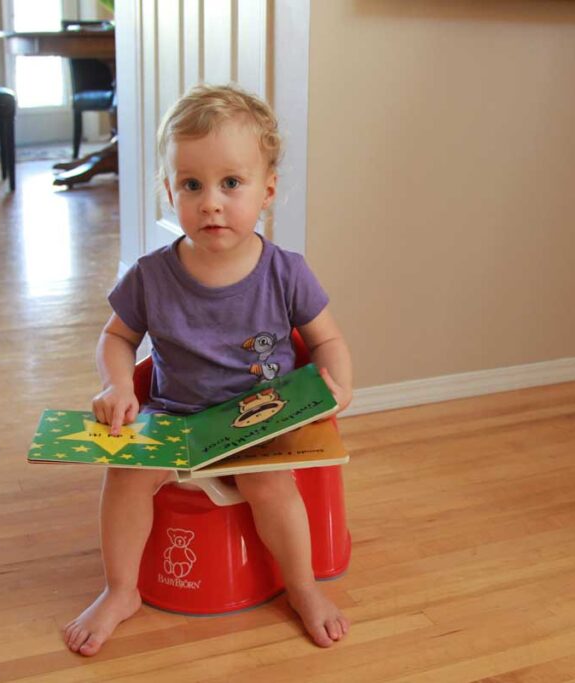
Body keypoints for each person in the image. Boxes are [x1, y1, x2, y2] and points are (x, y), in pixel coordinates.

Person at [62, 83, 353, 656]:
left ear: (266, 192)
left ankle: (302, 587)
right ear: (170, 190)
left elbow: (327, 340)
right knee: (123, 477)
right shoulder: (150, 276)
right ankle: (121, 590)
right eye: (192, 185)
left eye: (231, 183)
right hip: (176, 416)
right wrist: (118, 383)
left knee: (269, 485)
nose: (211, 202)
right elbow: (116, 337)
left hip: (261, 420)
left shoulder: (286, 273)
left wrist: (336, 387)